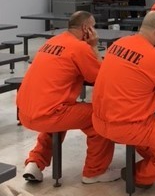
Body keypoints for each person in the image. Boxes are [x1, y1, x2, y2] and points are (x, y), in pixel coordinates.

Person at [92, 11, 155, 188]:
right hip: (129, 126)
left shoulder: (118, 44)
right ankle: (137, 175)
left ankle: (150, 160)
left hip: (98, 121)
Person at [19, 11, 118, 184]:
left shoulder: (52, 41)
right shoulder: (79, 47)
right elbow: (100, 77)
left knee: (61, 113)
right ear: (86, 29)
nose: (95, 31)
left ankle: (35, 163)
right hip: (50, 113)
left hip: (26, 111)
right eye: (93, 26)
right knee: (101, 117)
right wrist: (94, 46)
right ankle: (94, 172)